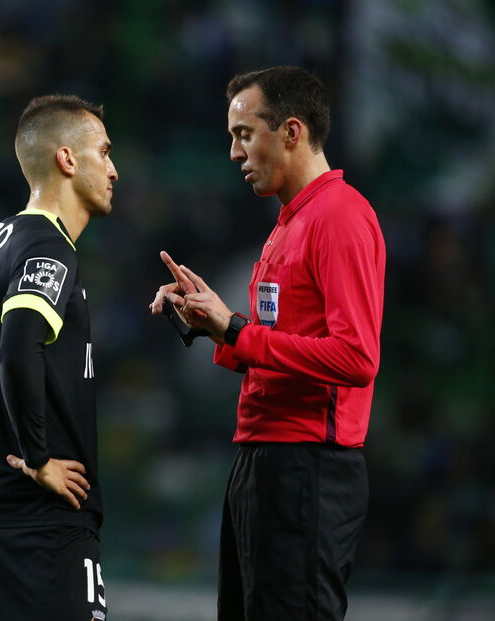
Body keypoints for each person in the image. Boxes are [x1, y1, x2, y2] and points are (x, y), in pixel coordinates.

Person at [150, 66, 386, 620]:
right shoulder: (290, 221)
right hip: (264, 460)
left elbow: (357, 358)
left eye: (244, 134)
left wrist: (235, 329)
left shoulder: (340, 217)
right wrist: (214, 324)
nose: (235, 153)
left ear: (292, 132)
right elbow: (275, 345)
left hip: (309, 467)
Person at [0, 94, 117, 620]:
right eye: (104, 152)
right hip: (41, 521)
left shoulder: (0, 241)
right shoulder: (49, 248)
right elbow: (16, 347)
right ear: (68, 160)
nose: (114, 170)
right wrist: (37, 458)